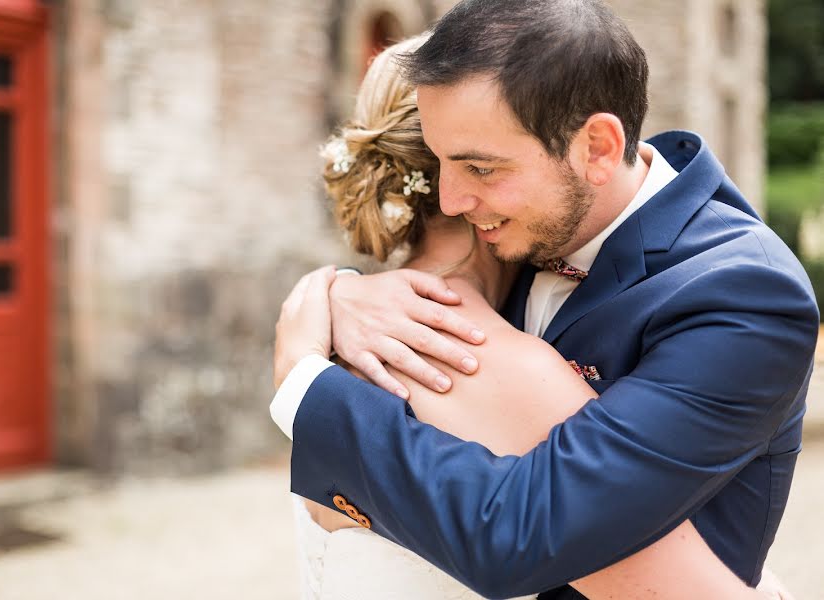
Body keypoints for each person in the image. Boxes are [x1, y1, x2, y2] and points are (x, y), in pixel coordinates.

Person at [274, 1, 818, 598]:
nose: (452, 198)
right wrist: (341, 290)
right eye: (438, 165)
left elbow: (526, 532)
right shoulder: (519, 233)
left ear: (598, 149)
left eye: (479, 168)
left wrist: (307, 390)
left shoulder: (744, 296)